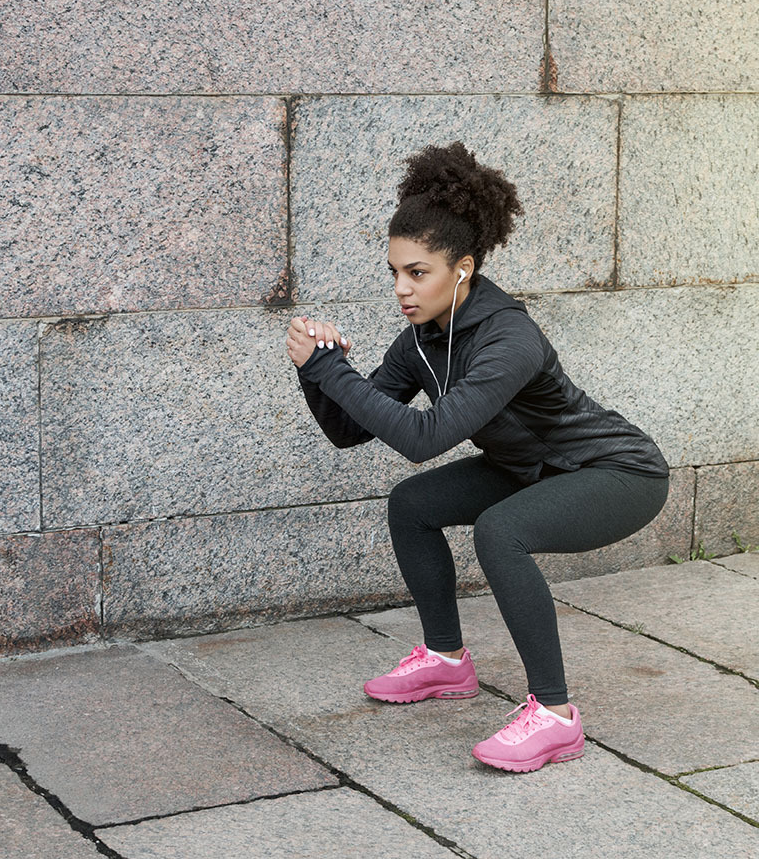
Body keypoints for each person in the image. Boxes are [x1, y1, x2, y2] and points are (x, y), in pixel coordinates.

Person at [285, 141, 670, 773]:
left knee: (501, 531)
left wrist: (334, 372)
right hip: (527, 469)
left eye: (418, 273)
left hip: (617, 472)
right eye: (395, 272)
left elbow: (422, 438)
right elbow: (348, 431)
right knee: (413, 505)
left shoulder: (508, 337)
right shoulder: (422, 340)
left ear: (462, 268)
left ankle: (556, 717)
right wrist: (317, 369)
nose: (402, 289)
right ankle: (445, 661)